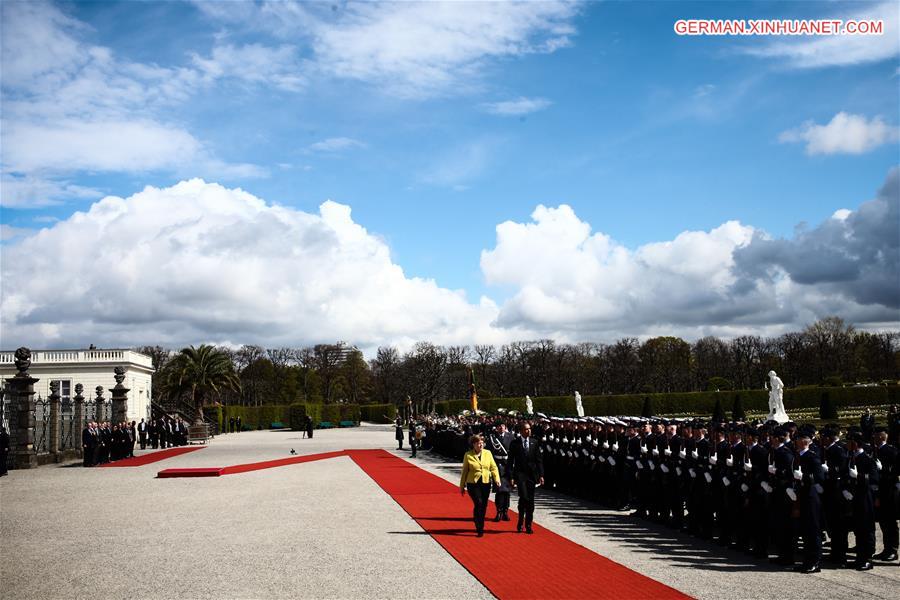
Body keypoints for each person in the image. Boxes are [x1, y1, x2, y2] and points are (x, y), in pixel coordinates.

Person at [459, 433, 500, 537]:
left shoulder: (488, 453)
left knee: (484, 504)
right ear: (473, 444)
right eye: (478, 443)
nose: (480, 445)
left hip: (486, 482)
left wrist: (497, 479)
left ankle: (479, 519)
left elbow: (493, 467)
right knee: (479, 502)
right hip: (473, 483)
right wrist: (462, 486)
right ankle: (479, 526)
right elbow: (464, 471)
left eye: (482, 443)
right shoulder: (468, 455)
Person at [509, 421, 544, 534]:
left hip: (532, 475)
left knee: (531, 501)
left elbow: (539, 460)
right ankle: (520, 521)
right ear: (521, 431)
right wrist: (511, 476)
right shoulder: (515, 443)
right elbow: (510, 461)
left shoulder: (534, 442)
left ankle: (528, 524)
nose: (528, 431)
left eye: (529, 429)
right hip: (520, 475)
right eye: (526, 429)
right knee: (524, 498)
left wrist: (541, 475)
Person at [488, 421, 514, 521]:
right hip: (497, 465)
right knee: (499, 490)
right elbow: (489, 451)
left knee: (507, 491)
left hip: (508, 465)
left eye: (503, 426)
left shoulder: (510, 436)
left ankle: (505, 512)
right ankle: (498, 511)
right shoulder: (493, 437)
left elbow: (513, 451)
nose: (501, 428)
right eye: (499, 426)